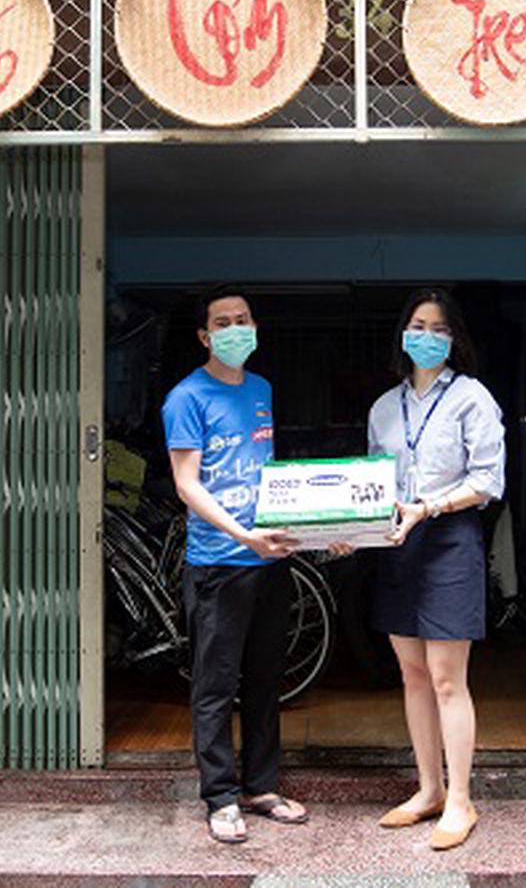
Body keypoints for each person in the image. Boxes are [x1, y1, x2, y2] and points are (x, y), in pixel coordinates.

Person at [161, 288, 307, 845]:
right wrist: (244, 535)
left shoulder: (261, 389)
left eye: (242, 319)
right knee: (216, 685)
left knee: (266, 679)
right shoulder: (186, 398)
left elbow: (267, 473)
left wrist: (309, 530)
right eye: (222, 323)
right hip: (218, 564)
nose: (235, 329)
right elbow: (187, 484)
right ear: (204, 336)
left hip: (270, 560)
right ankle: (220, 796)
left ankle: (262, 787)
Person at [367, 287, 505, 851]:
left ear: (454, 339)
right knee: (413, 675)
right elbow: (373, 485)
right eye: (418, 326)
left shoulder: (472, 398)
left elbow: (488, 481)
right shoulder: (383, 408)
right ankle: (428, 789)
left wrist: (430, 507)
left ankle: (461, 799)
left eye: (439, 329)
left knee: (448, 678)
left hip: (450, 539)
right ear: (403, 334)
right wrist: (349, 530)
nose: (427, 337)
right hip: (398, 541)